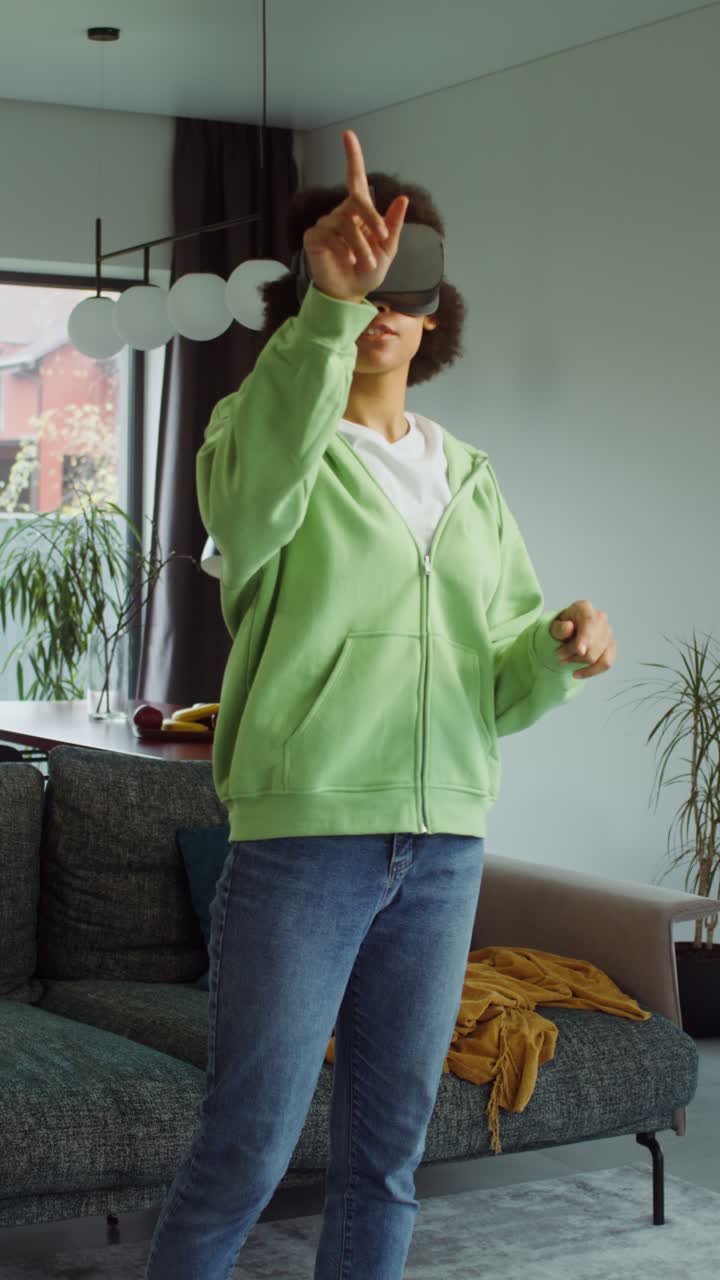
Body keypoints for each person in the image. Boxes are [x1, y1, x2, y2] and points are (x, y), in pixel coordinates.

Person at [144, 130, 614, 1280]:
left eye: (409, 287)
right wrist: (329, 309)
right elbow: (248, 508)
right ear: (318, 287)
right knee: (246, 1150)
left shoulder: (470, 476)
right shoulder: (257, 438)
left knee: (387, 1158)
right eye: (363, 280)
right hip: (304, 842)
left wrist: (559, 648)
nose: (386, 307)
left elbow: (494, 677)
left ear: (436, 312)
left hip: (444, 844)